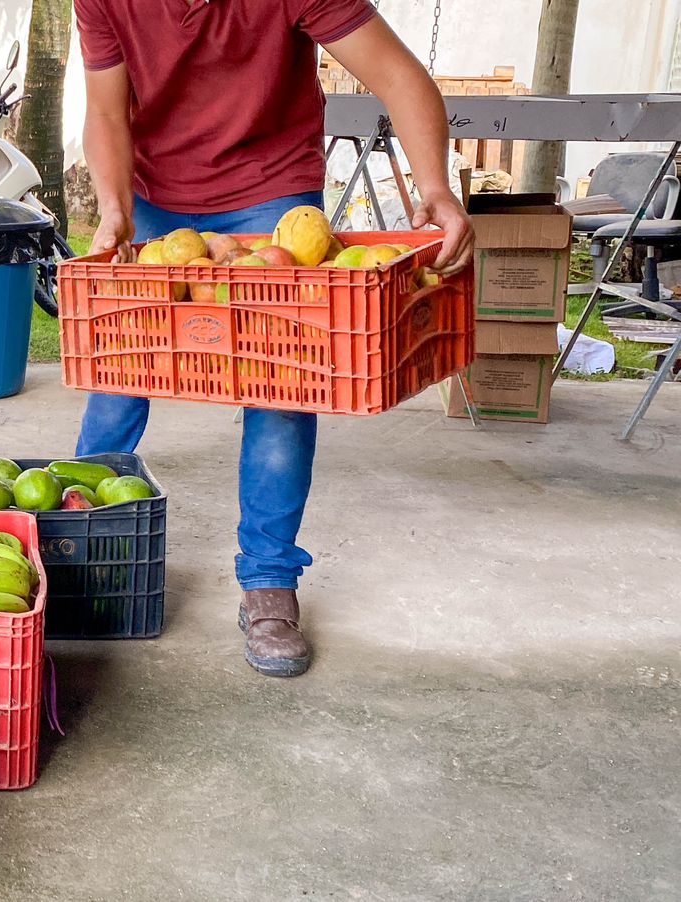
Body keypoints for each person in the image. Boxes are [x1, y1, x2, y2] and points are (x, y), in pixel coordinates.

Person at [73, 0, 474, 677]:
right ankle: (82, 549)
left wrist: (435, 187)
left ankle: (268, 583)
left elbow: (400, 77)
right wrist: (114, 210)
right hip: (157, 197)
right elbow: (109, 112)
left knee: (282, 380)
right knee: (119, 371)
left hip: (271, 194)